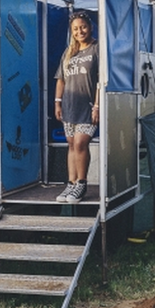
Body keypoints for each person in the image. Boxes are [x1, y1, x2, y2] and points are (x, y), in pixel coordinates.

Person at [53, 11, 100, 204]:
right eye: (75, 29)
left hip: (87, 106)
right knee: (72, 145)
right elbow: (61, 80)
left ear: (90, 27)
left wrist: (97, 105)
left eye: (83, 27)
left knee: (81, 143)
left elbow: (100, 81)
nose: (80, 31)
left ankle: (81, 183)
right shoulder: (69, 52)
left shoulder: (97, 49)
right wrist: (57, 102)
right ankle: (71, 184)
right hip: (69, 106)